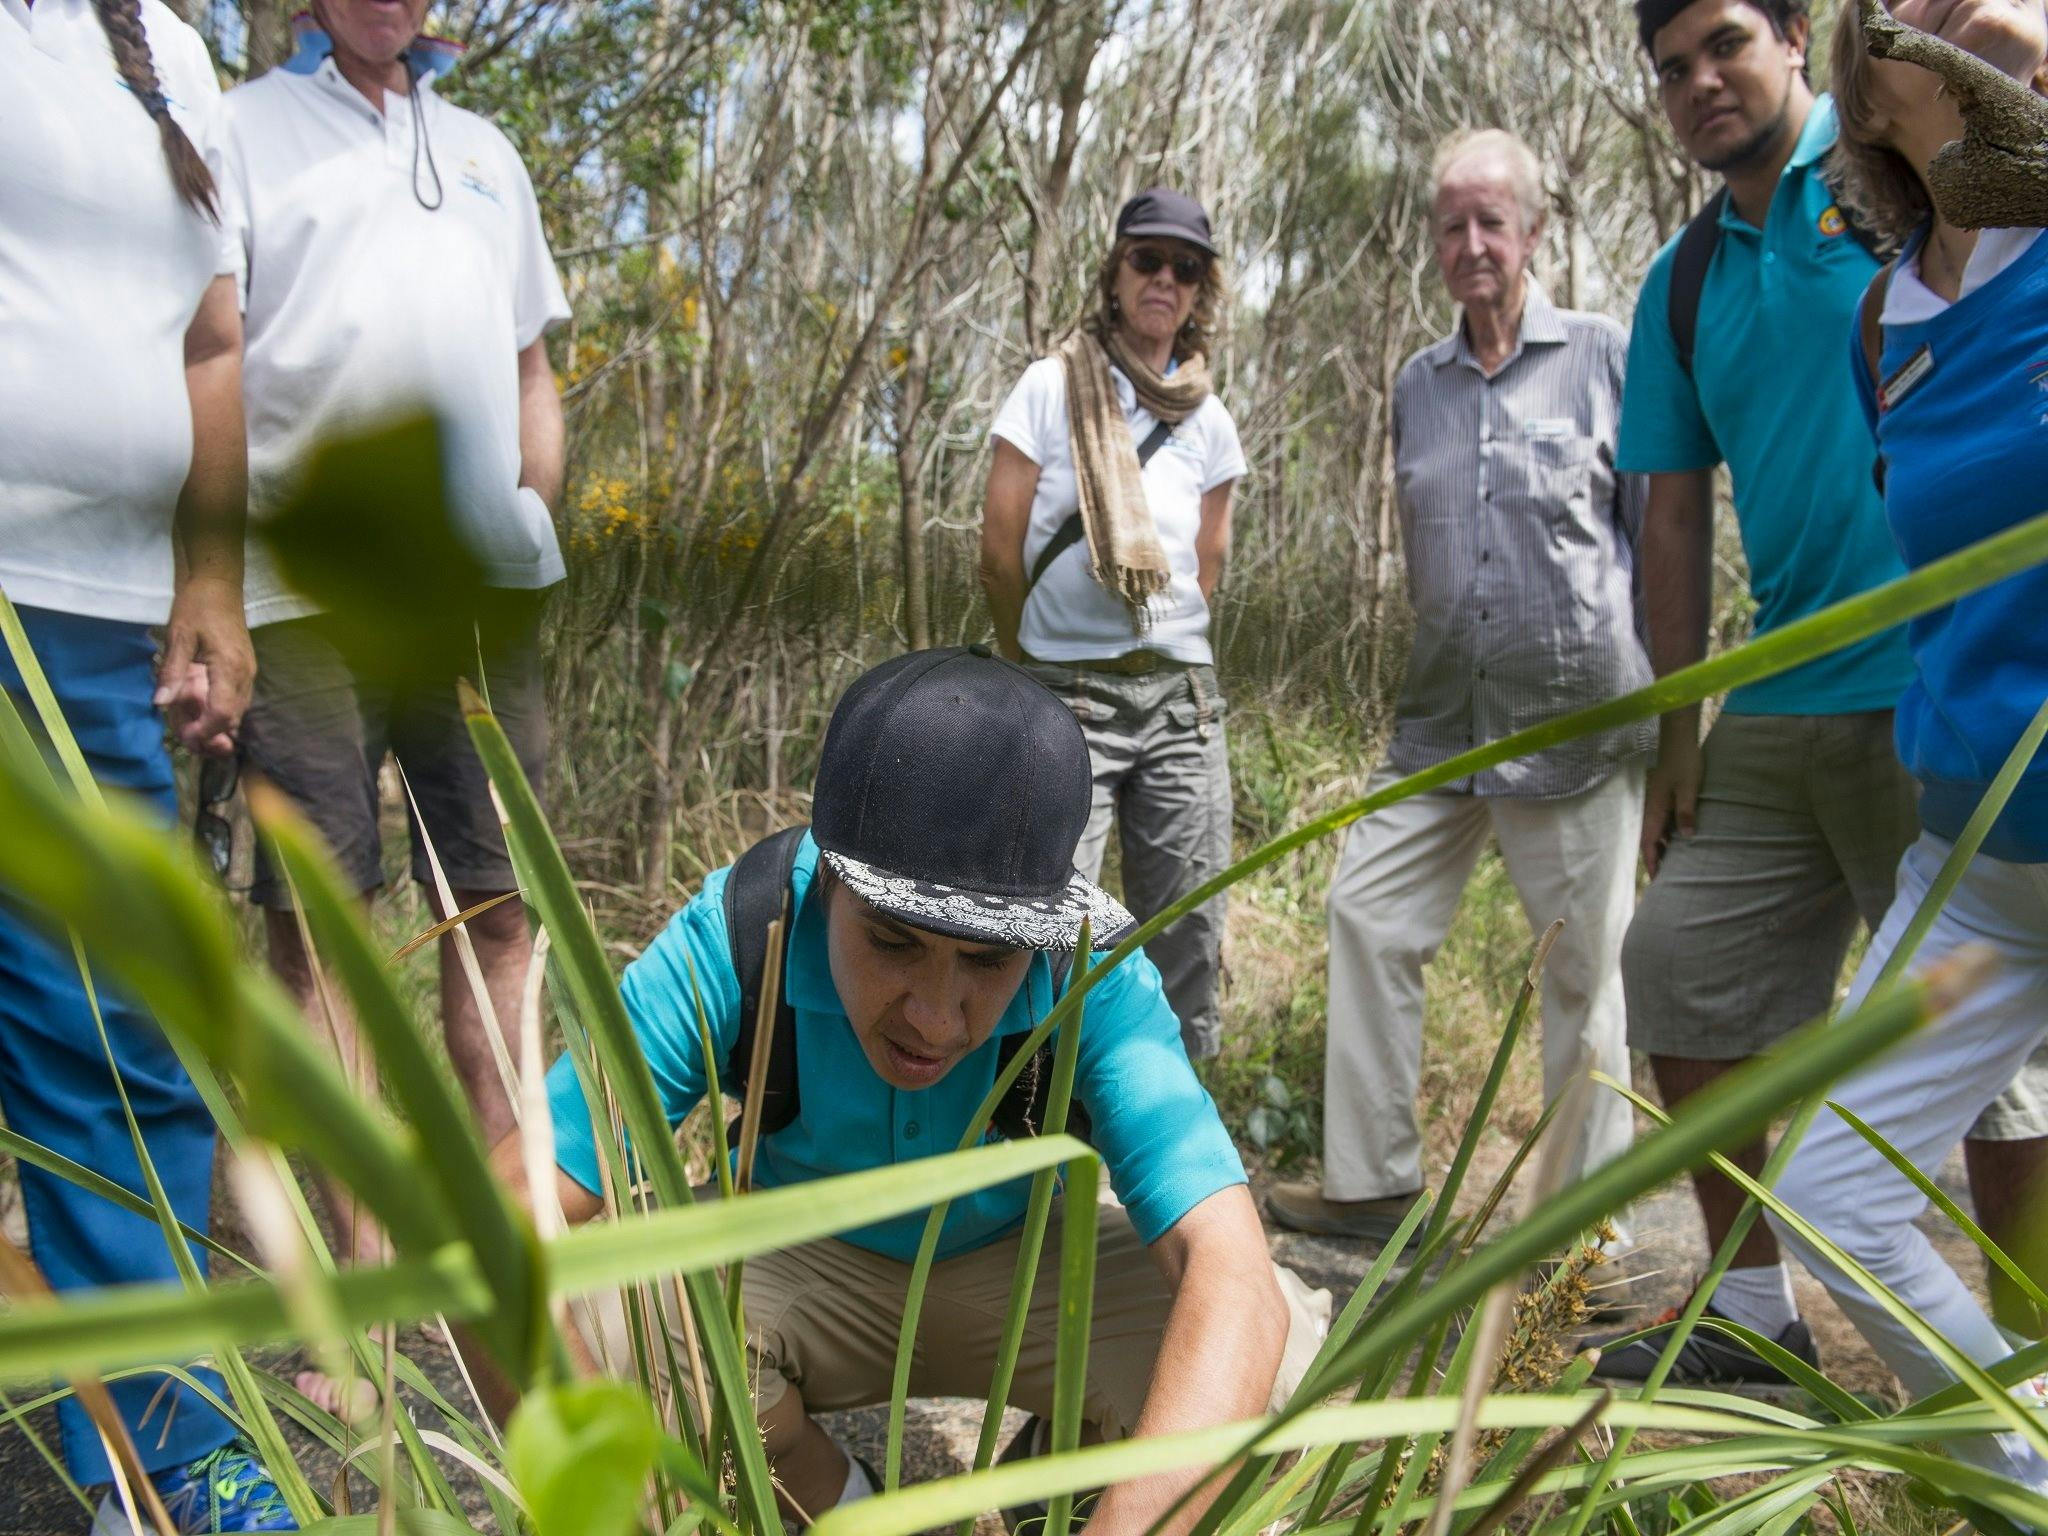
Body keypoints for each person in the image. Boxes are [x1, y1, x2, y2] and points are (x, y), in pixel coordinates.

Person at [499, 647, 1328, 1528]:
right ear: (827, 884)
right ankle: (834, 1502)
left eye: (988, 959)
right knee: (600, 1324)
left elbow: (1228, 1271)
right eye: (894, 944)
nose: (935, 1019)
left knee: (1284, 1383)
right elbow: (510, 1212)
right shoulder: (743, 931)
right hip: (796, 1251)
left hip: (1021, 1259)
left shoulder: (1091, 970)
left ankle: (1056, 1501)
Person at [1598, 0, 2048, 1385]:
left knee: (1996, 1056)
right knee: (1677, 963)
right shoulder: (1686, 280)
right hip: (1787, 687)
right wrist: (1680, 727)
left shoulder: (1898, 191)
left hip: (1939, 686)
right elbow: (1668, 512)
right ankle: (1752, 1314)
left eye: (1726, 42)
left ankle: (2027, 1333)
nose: (1700, 82)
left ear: (1800, 40)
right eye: (1671, 67)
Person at [0, 0, 295, 1528]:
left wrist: (210, 581)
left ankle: (167, 1467)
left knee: (116, 1038)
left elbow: (212, 344)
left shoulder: (172, 61)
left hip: (91, 631)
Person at [209, 0, 569, 1241]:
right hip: (297, 597)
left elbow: (531, 366)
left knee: (498, 912)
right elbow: (211, 351)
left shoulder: (484, 150)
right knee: (320, 933)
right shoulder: (239, 129)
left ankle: (515, 1258)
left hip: (476, 593)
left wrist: (529, 509)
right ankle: (356, 1301)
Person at [1754, 0, 2048, 1491]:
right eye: (1917, 9)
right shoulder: (1888, 319)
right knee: (1830, 1196)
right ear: (1865, 79)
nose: (1964, 20)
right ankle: (2023, 1480)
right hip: (1984, 859)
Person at [1264, 131, 1652, 1246]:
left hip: (1574, 720)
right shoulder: (1415, 386)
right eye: (1451, 224)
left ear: (1531, 232)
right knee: (1365, 911)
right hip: (1441, 725)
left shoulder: (1601, 355)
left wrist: (1670, 718)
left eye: (1492, 221)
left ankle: (1585, 1236)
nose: (1471, 243)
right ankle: (1372, 1183)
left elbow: (1647, 536)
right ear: (1433, 242)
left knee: (1580, 978)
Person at [980, 188, 1246, 1062]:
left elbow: (1207, 566)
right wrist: (1034, 661)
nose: (1164, 280)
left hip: (1181, 707)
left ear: (1202, 288)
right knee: (1046, 929)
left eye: (1185, 267)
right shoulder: (1051, 386)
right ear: (1116, 271)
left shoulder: (1210, 420)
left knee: (1187, 936)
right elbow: (999, 547)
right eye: (1147, 260)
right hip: (1067, 698)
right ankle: (1032, 1141)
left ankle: (1171, 1151)